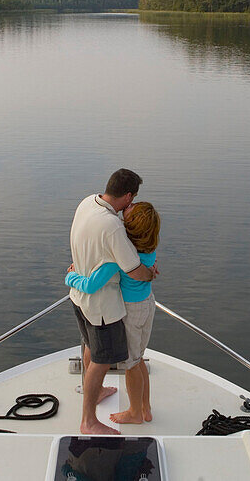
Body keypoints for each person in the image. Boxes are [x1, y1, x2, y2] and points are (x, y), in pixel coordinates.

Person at [68, 168, 155, 435]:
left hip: (79, 298)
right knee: (102, 360)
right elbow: (134, 270)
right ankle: (89, 421)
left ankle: (96, 391)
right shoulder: (113, 226)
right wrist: (151, 272)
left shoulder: (86, 202)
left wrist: (73, 274)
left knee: (89, 346)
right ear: (128, 196)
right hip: (102, 307)